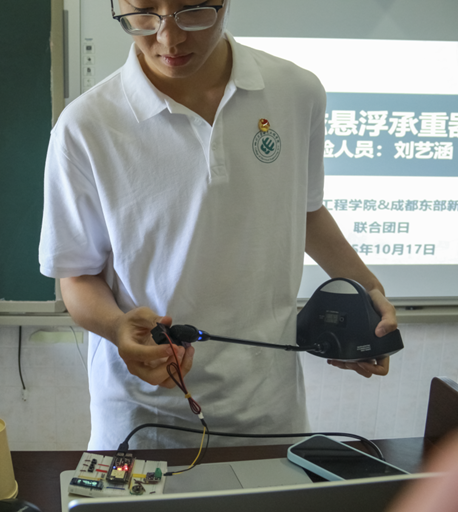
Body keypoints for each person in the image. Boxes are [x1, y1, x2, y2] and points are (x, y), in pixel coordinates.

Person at [38, 0, 398, 450]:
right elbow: (76, 273)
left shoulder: (296, 91)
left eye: (192, 10)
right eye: (144, 11)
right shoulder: (85, 125)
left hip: (271, 408)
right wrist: (116, 328)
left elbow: (304, 212)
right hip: (145, 418)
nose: (169, 37)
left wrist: (370, 298)